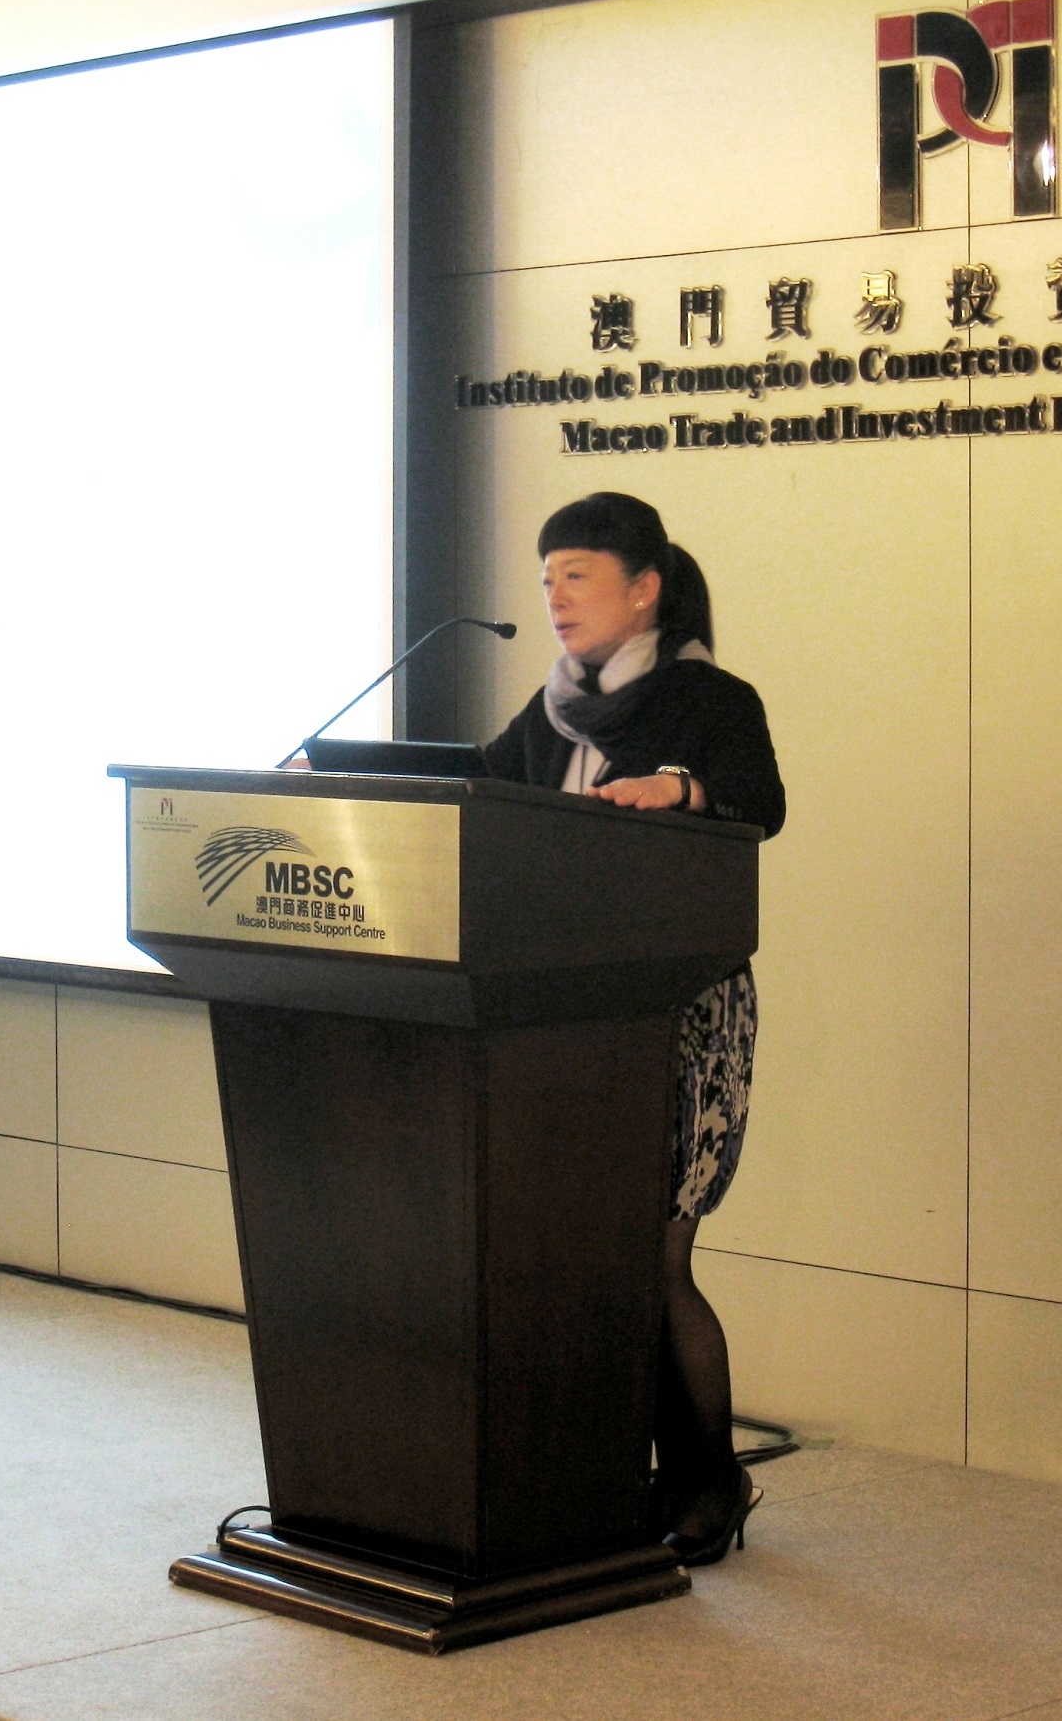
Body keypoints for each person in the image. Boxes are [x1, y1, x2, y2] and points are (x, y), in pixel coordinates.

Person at [481, 491, 785, 1567]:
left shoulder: (710, 701)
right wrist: (327, 772)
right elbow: (476, 781)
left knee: (654, 1255)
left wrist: (681, 788)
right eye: (546, 579)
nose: (555, 598)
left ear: (644, 588)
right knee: (590, 1255)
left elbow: (761, 799)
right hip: (568, 1010)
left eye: (577, 576)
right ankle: (616, 1475)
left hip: (680, 1012)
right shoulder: (553, 712)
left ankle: (708, 1482)